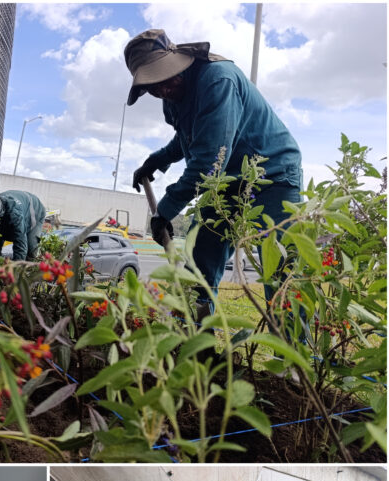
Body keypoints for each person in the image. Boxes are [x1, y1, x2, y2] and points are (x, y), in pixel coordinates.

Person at [126, 29, 303, 313]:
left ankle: (295, 354)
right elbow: (189, 138)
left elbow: (209, 160)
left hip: (272, 175)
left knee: (281, 273)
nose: (161, 90)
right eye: (152, 85)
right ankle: (200, 347)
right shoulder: (172, 98)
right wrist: (155, 161)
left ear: (176, 62)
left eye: (163, 78)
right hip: (224, 184)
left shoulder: (218, 79)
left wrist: (166, 210)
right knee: (200, 263)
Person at [0, 190, 46, 261]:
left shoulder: (15, 215)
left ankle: (28, 266)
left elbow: (20, 246)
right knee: (3, 244)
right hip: (21, 206)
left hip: (36, 210)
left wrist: (17, 268)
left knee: (31, 247)